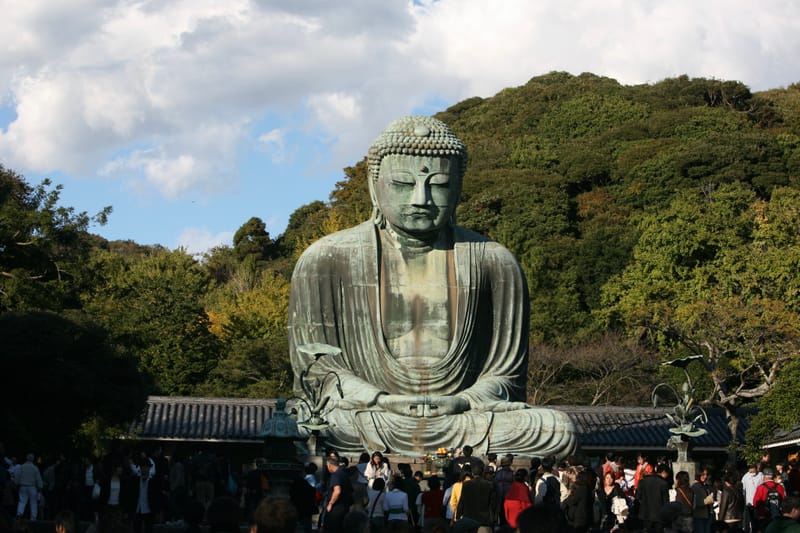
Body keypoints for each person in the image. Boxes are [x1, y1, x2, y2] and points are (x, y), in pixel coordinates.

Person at [288, 115, 577, 458]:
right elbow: (317, 372)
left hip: (461, 416)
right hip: (370, 415)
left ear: (458, 189)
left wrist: (463, 400)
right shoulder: (326, 259)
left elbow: (506, 376)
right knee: (303, 422)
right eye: (402, 183)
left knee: (556, 429)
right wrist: (382, 399)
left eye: (438, 185)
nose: (421, 198)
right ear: (373, 184)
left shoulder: (494, 262)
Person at [455, 464, 495, 533]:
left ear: (472, 473)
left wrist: (458, 516)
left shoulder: (466, 484)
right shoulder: (489, 485)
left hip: (469, 519)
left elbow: (462, 501)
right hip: (484, 520)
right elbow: (492, 504)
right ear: (483, 473)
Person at [636, 463, 670, 533]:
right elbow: (666, 501)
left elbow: (638, 497)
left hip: (645, 514)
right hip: (659, 515)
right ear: (664, 472)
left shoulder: (643, 481)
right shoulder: (664, 483)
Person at [323, 456, 353, 533]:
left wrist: (330, 503)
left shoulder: (336, 475)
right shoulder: (345, 475)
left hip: (336, 509)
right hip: (344, 507)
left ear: (329, 465)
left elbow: (337, 491)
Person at [754, 467, 786, 532]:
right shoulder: (780, 487)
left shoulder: (761, 487)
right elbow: (784, 501)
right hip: (778, 517)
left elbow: (755, 503)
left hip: (764, 517)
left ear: (764, 477)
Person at [15, 454, 43, 521]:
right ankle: (33, 518)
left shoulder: (22, 467)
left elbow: (17, 476)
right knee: (33, 503)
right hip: (32, 487)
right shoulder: (35, 468)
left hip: (23, 486)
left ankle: (19, 515)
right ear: (33, 459)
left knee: (22, 501)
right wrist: (40, 487)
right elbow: (38, 479)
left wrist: (17, 483)